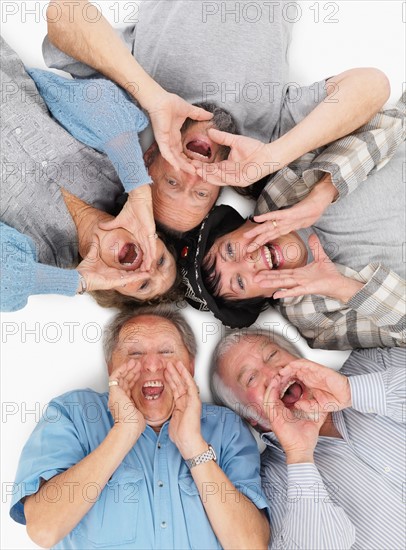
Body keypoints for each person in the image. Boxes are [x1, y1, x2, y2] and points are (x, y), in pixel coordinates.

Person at [42, 0, 391, 232]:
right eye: (200, 195)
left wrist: (151, 95)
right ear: (220, 189)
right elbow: (373, 85)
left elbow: (64, 12)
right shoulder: (266, 134)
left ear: (149, 159)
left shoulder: (137, 95)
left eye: (173, 183)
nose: (194, 178)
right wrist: (274, 156)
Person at [10, 306, 270, 549]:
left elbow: (250, 544)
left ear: (190, 366)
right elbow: (43, 529)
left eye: (167, 352)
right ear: (111, 367)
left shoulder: (227, 428)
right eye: (135, 354)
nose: (152, 365)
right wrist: (123, 432)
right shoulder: (73, 413)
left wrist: (193, 446)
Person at [179, 95, 406, 348]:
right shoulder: (313, 318)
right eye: (240, 282)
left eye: (230, 251)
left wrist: (324, 191)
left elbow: (391, 123)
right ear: (263, 297)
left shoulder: (285, 185)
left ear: (244, 223)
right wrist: (343, 287)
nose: (249, 262)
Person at [0, 37, 183, 311]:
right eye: (161, 262)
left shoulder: (37, 257)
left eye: (144, 285)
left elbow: (6, 285)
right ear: (154, 235)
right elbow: (100, 99)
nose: (146, 269)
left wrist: (79, 280)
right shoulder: (114, 171)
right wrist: (139, 190)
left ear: (114, 290)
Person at [211, 329, 405, 550]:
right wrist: (300, 456)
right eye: (251, 378)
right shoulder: (268, 483)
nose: (274, 374)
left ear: (298, 358)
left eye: (273, 355)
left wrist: (350, 391)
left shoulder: (371, 364)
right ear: (249, 417)